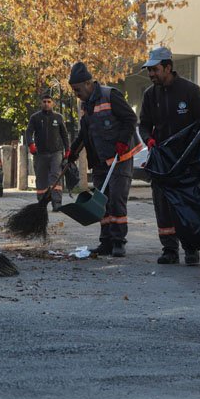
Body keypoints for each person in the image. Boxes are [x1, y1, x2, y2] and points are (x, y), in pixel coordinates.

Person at [138, 46, 200, 266]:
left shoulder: (190, 91)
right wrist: (148, 139)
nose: (151, 74)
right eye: (149, 70)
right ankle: (169, 249)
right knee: (163, 204)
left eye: (154, 69)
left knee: (186, 205)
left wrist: (193, 154)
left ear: (168, 67)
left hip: (186, 160)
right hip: (161, 160)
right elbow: (144, 125)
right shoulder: (150, 95)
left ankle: (191, 248)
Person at [66, 62, 140, 257]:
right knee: (102, 203)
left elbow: (130, 119)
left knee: (116, 201)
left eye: (77, 90)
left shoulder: (110, 95)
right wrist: (72, 151)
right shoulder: (84, 105)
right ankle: (105, 242)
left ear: (89, 83)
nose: (76, 94)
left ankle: (118, 242)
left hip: (119, 158)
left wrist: (123, 141)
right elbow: (84, 132)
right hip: (99, 160)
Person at [25, 92, 70, 211]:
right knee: (41, 178)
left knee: (55, 176)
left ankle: (57, 203)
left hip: (56, 153)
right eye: (44, 102)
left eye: (49, 102)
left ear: (53, 104)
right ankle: (42, 203)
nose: (46, 104)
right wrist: (31, 144)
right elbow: (28, 132)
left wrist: (67, 150)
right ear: (41, 103)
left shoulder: (58, 117)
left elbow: (64, 135)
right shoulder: (35, 117)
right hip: (40, 153)